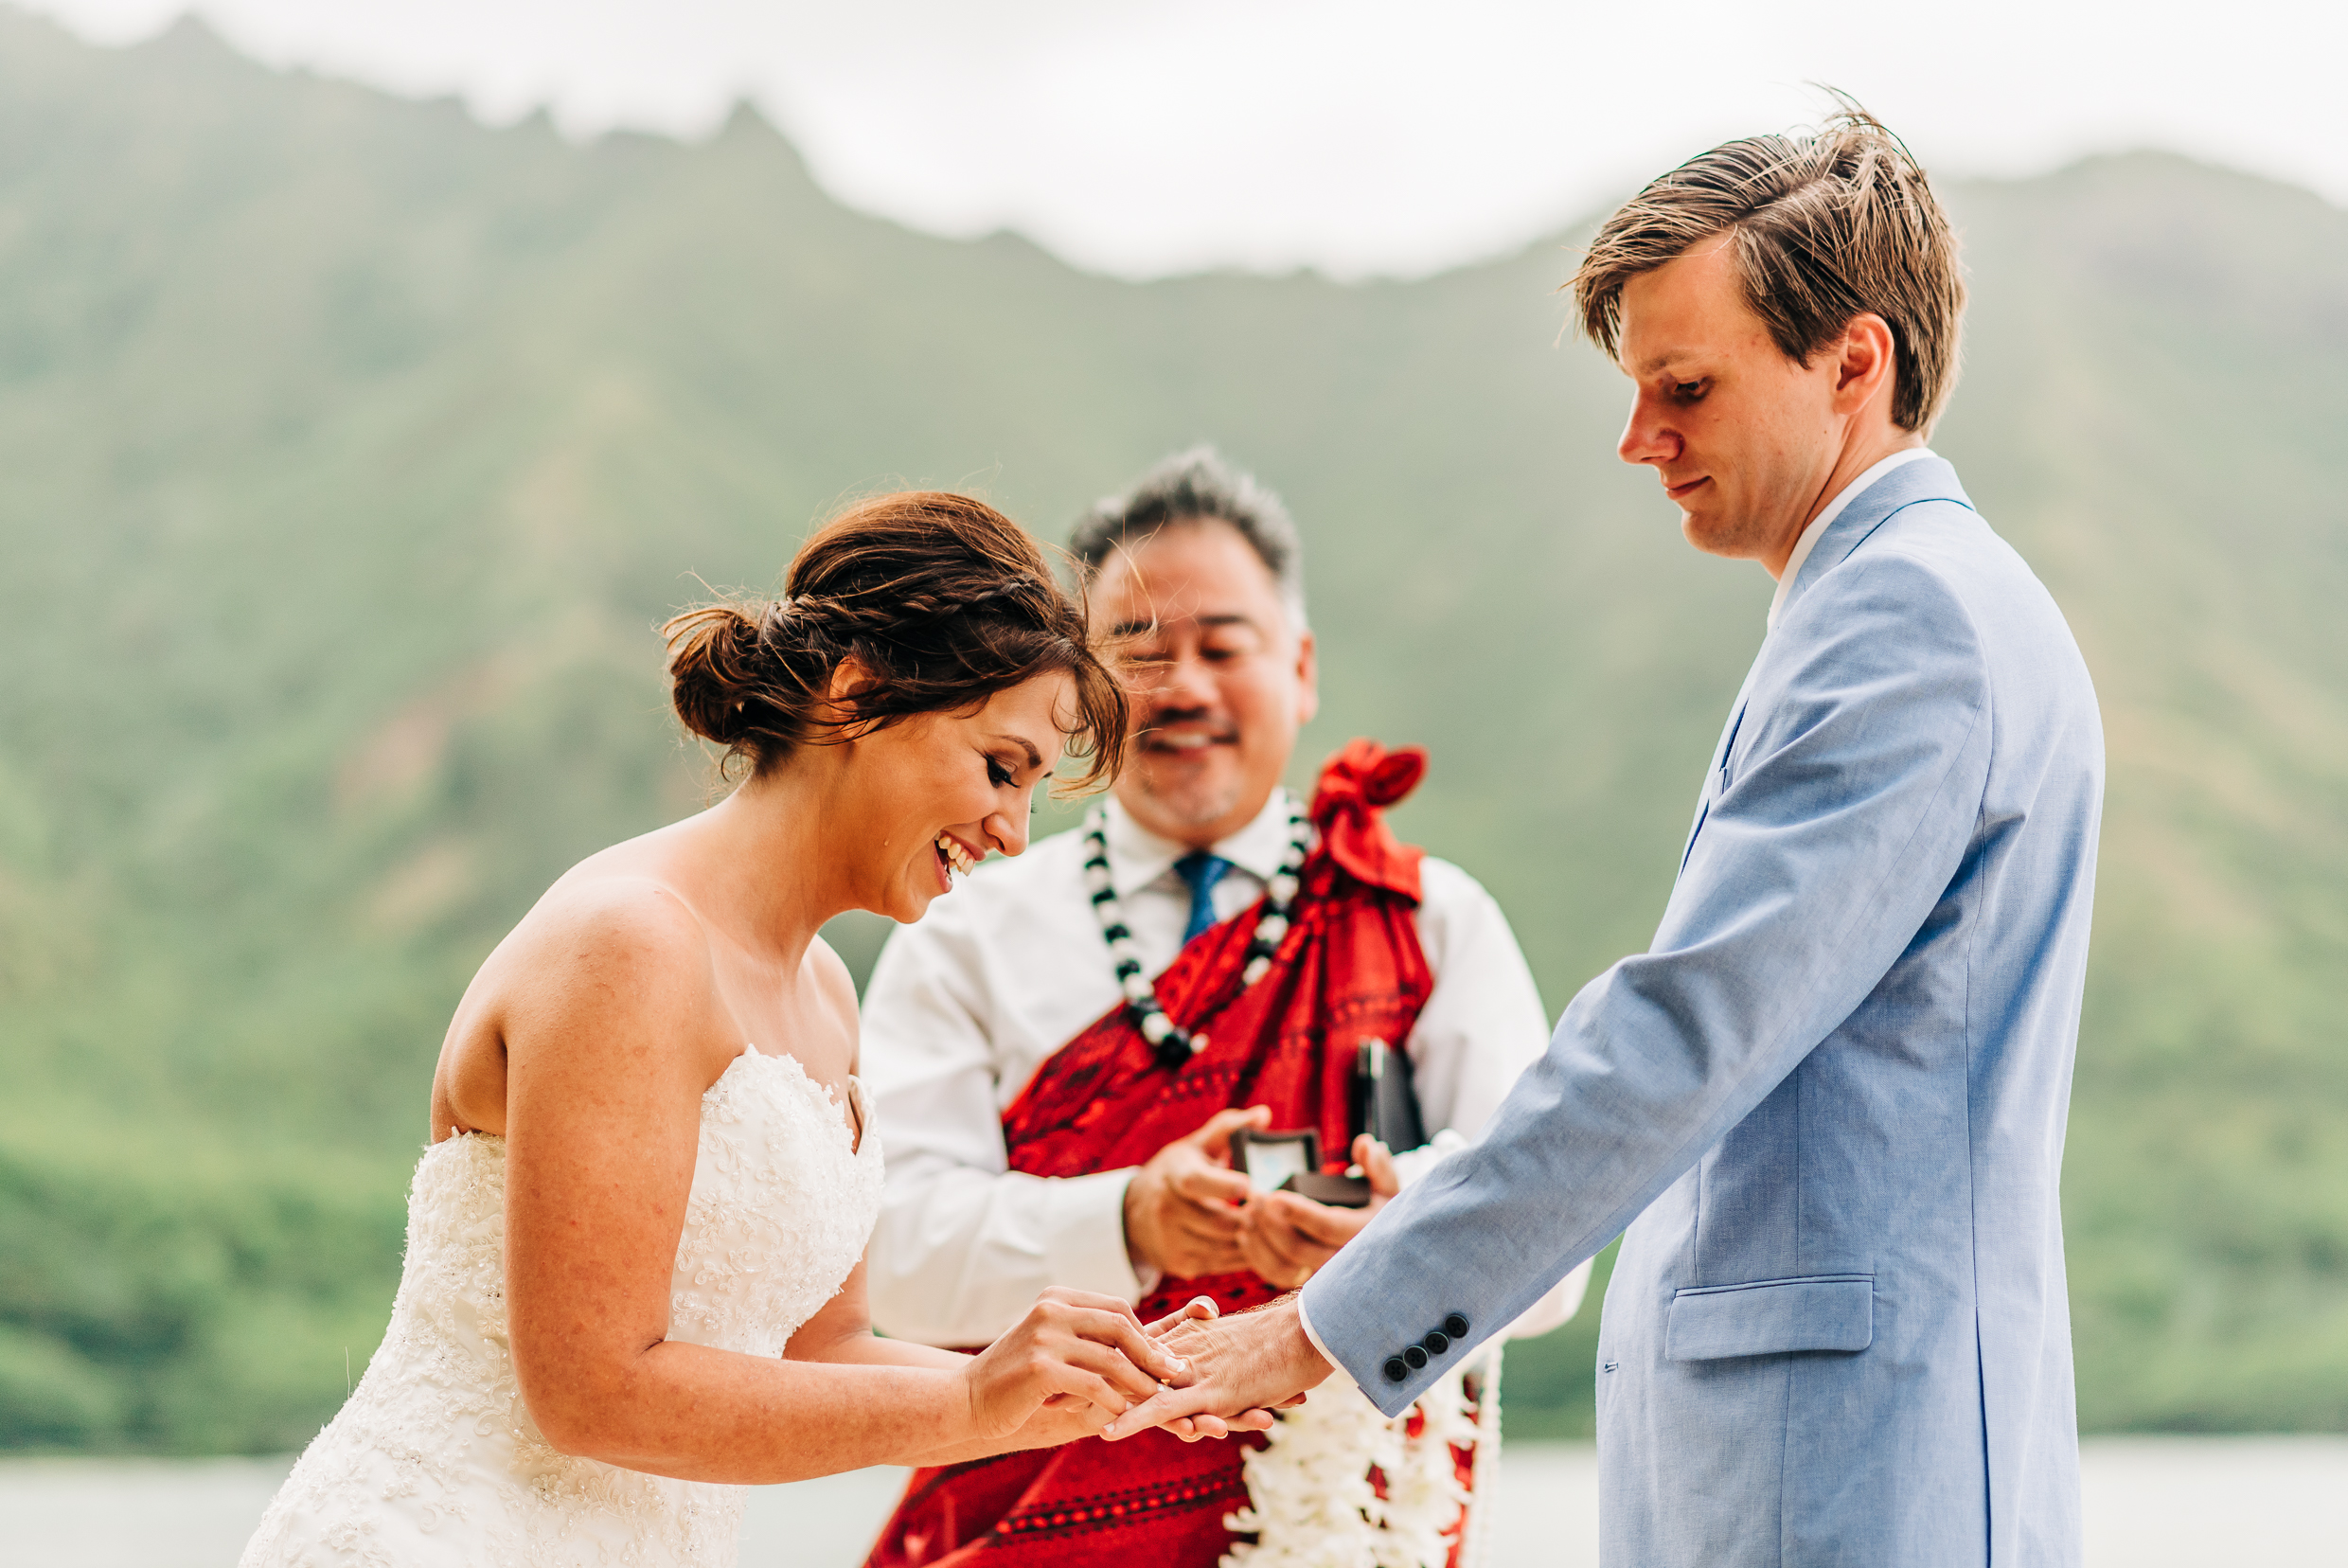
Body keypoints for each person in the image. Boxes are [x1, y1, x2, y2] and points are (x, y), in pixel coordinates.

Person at [1108, 106, 2106, 1568]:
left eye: (1684, 387)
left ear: (1853, 362)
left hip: (1842, 1468)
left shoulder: (1908, 622)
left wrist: (1328, 1324)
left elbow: (1687, 1035)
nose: (1640, 440)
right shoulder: (1914, 602)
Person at [239, 493, 1236, 1568]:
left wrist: (1061, 1393)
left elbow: (824, 1350)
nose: (1012, 831)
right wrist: (965, 1405)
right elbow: (592, 1392)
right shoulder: (631, 942)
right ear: (857, 695)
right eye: (1000, 768)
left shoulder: (824, 994)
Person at [858, 449, 1587, 1568]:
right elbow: (886, 1256)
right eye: (1138, 651)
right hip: (1027, 1532)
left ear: (1297, 669)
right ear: (1077, 695)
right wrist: (1128, 1222)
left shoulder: (1426, 919)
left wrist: (1392, 1237)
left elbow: (1552, 1240)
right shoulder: (963, 928)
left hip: (1352, 1529)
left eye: (1221, 646)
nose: (1182, 686)